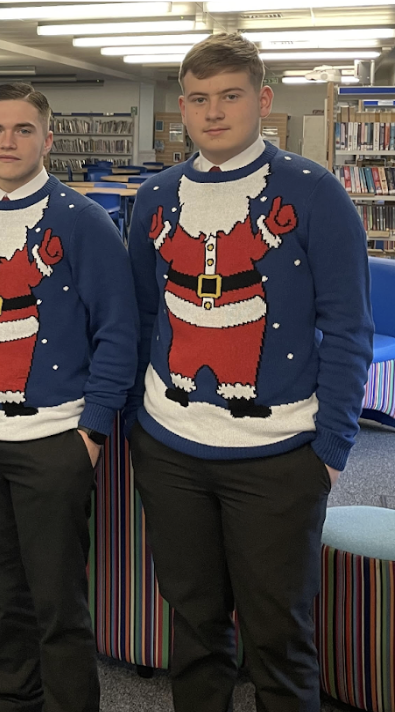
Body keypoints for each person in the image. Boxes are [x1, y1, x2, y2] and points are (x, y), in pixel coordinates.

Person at [125, 33, 374, 712]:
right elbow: (143, 316)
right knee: (194, 627)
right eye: (199, 99)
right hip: (171, 449)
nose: (214, 112)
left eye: (230, 96)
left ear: (261, 100)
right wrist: (136, 428)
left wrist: (329, 451)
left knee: (278, 638)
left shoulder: (315, 194)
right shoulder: (154, 198)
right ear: (182, 107)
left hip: (280, 458)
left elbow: (351, 329)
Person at [0, 83, 137, 712]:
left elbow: (118, 331)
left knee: (55, 596)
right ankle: (17, 698)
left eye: (23, 129)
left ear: (47, 139)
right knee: (1, 584)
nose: (7, 141)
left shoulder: (84, 220)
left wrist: (94, 432)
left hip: (54, 437)